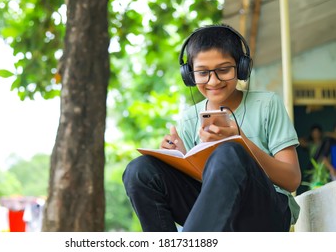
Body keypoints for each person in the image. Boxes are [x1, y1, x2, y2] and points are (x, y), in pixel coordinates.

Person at [122, 24, 301, 232]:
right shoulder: (190, 119)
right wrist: (181, 157)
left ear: (241, 67)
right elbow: (202, 186)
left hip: (266, 212)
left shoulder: (268, 104)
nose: (213, 81)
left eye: (223, 70)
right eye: (202, 73)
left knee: (229, 152)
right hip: (217, 214)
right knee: (140, 170)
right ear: (190, 75)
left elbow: (292, 180)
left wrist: (241, 143)